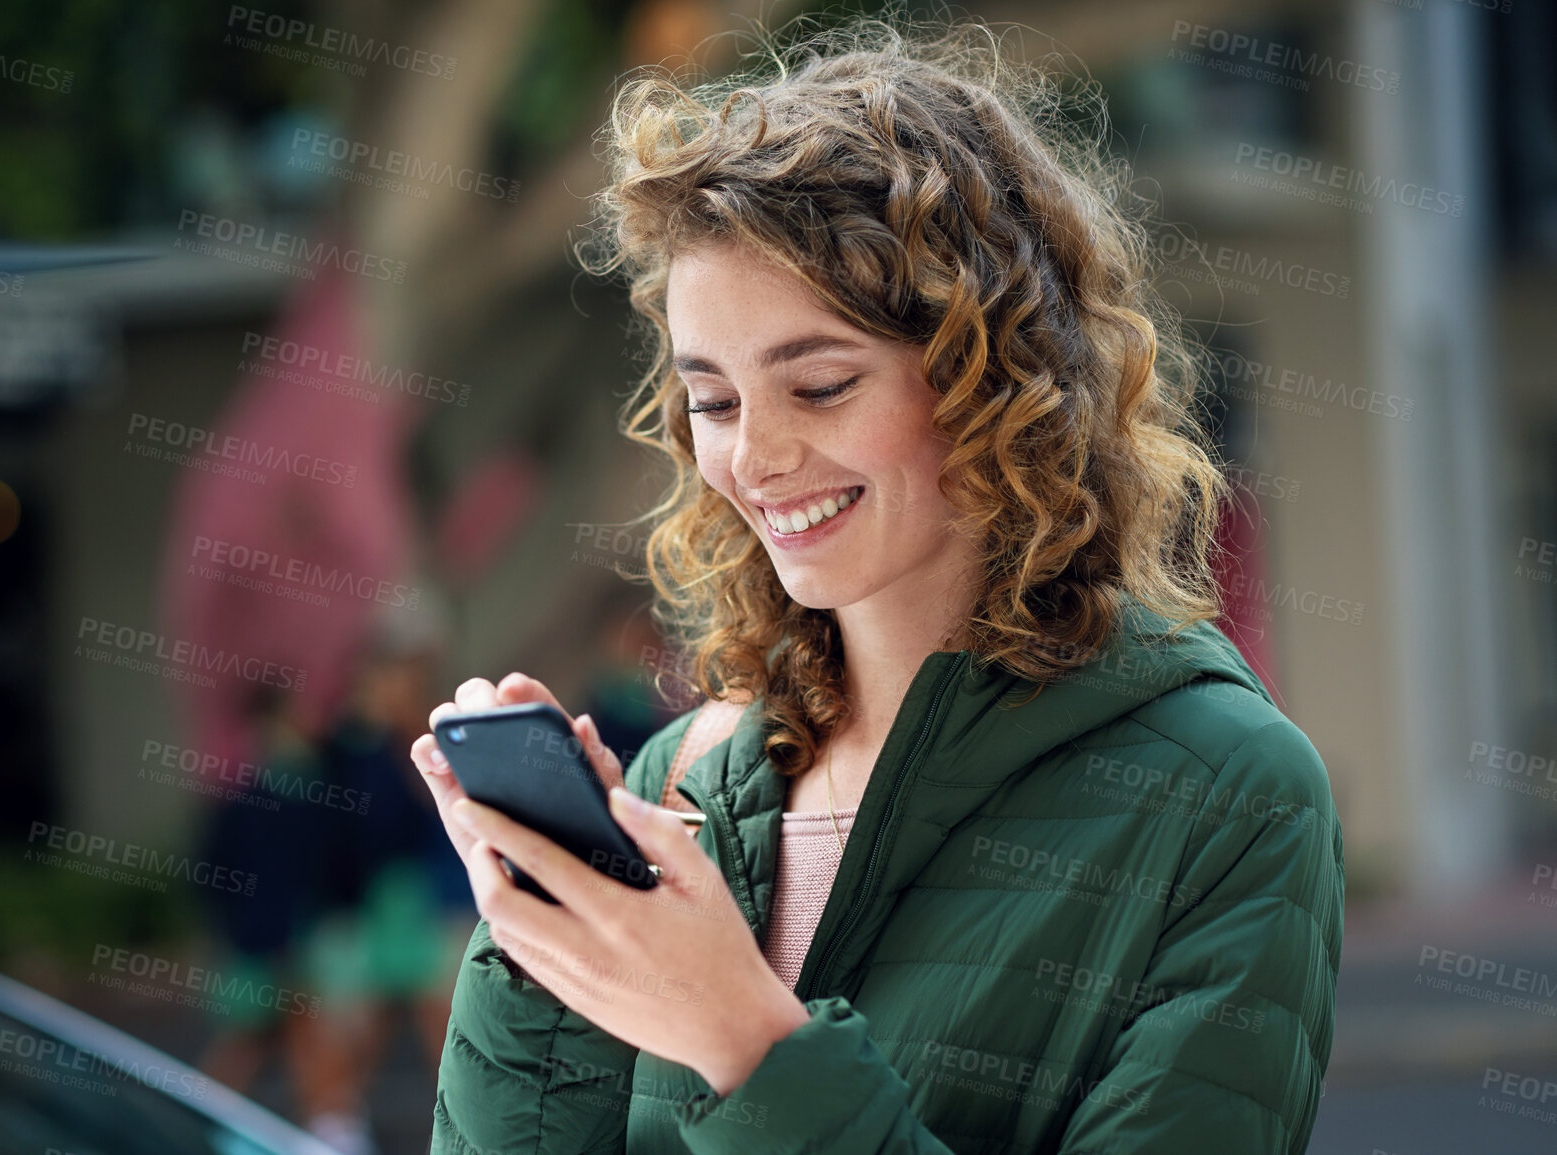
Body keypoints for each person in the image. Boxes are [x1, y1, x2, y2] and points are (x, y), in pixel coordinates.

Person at [409, 18, 1344, 1155]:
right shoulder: (687, 781)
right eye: (713, 401)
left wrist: (746, 1041)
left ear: (989, 380)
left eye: (820, 386)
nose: (753, 459)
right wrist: (537, 939)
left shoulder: (1229, 798)